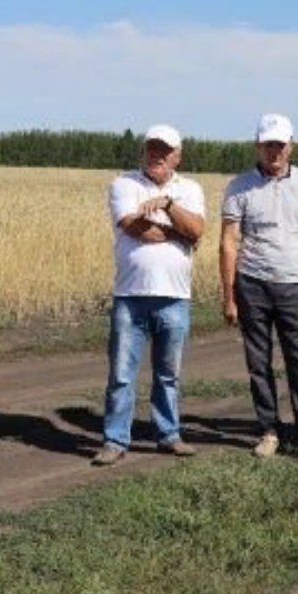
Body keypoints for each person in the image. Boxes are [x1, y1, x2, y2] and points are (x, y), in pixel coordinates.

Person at [220, 113, 298, 472]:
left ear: (291, 146)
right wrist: (229, 295)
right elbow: (228, 243)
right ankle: (269, 430)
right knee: (259, 364)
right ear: (258, 146)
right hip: (252, 284)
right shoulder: (239, 187)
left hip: (293, 285)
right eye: (267, 144)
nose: (274, 151)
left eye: (280, 145)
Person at [91, 125, 208, 466]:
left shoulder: (189, 189)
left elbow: (198, 230)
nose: (156, 156)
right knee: (122, 374)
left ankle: (169, 435)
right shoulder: (124, 184)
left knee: (168, 373)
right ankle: (115, 440)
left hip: (175, 295)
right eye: (151, 149)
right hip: (131, 294)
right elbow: (134, 226)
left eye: (164, 150)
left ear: (177, 156)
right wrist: (178, 233)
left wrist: (169, 205)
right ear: (142, 152)